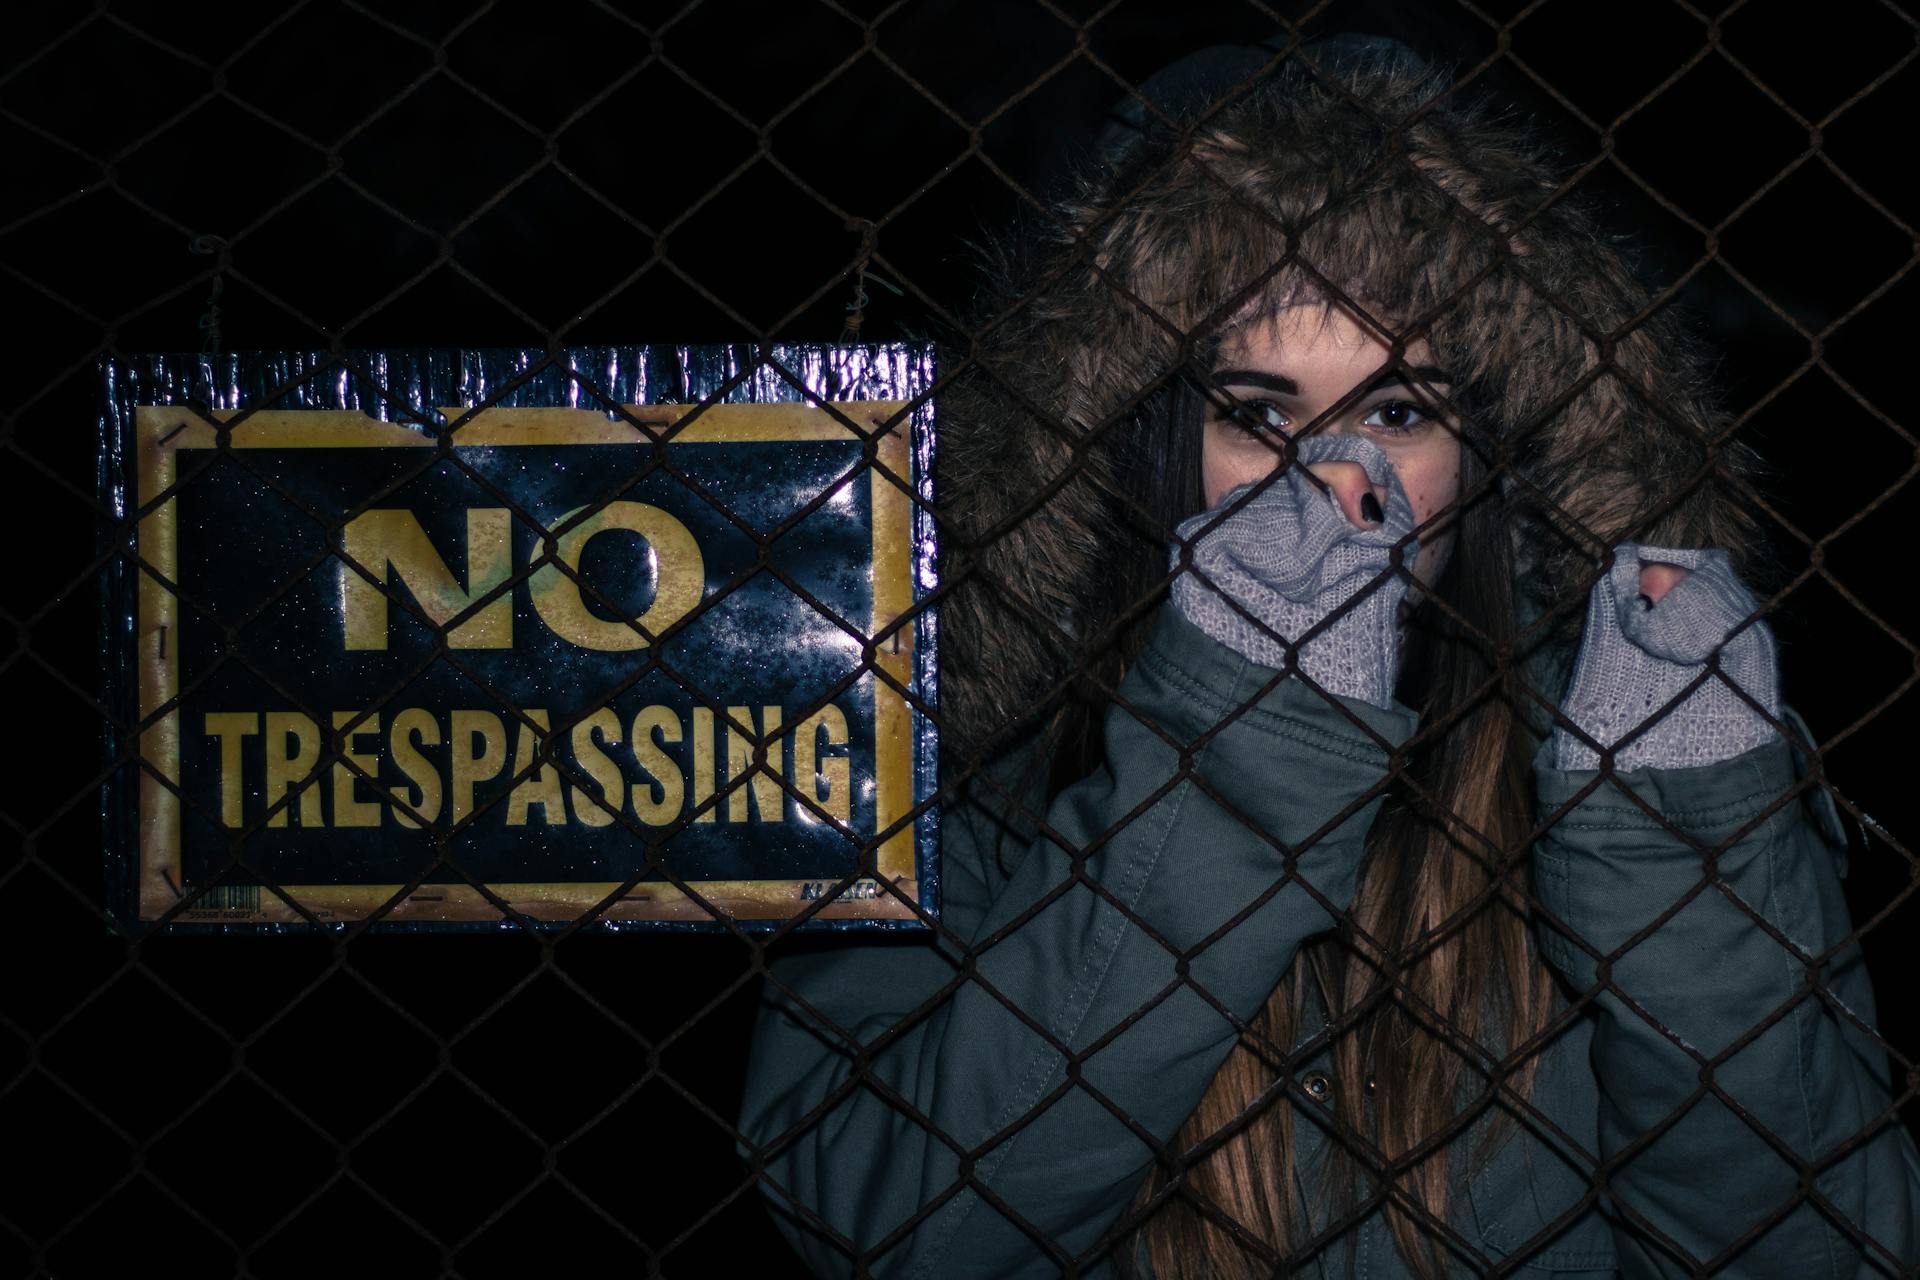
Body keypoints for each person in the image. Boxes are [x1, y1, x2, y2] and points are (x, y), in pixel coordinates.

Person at [738, 37, 1920, 1278]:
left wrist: (1676, 847)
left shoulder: (1635, 746)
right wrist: (1236, 748)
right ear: (1135, 440)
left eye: (1399, 414)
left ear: (1490, 453)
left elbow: (1814, 1249)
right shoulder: (967, 776)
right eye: (1260, 416)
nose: (1339, 481)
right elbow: (901, 1230)